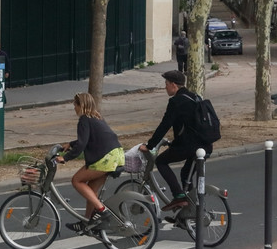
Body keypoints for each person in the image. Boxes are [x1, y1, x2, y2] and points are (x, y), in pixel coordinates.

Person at [139, 71, 212, 211]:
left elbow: (165, 125)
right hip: (205, 145)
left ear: (173, 85)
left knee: (161, 161)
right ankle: (189, 210)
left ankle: (178, 196)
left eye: (166, 84)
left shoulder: (176, 101)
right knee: (186, 175)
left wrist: (150, 145)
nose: (165, 87)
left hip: (191, 146)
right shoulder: (195, 96)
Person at [56, 93, 125, 232]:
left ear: (81, 105)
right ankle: (87, 222)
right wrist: (70, 144)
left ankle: (102, 211)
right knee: (91, 192)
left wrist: (66, 158)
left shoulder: (84, 119)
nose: (74, 108)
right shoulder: (96, 116)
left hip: (105, 158)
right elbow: (91, 138)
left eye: (75, 105)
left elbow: (82, 144)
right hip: (115, 155)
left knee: (76, 180)